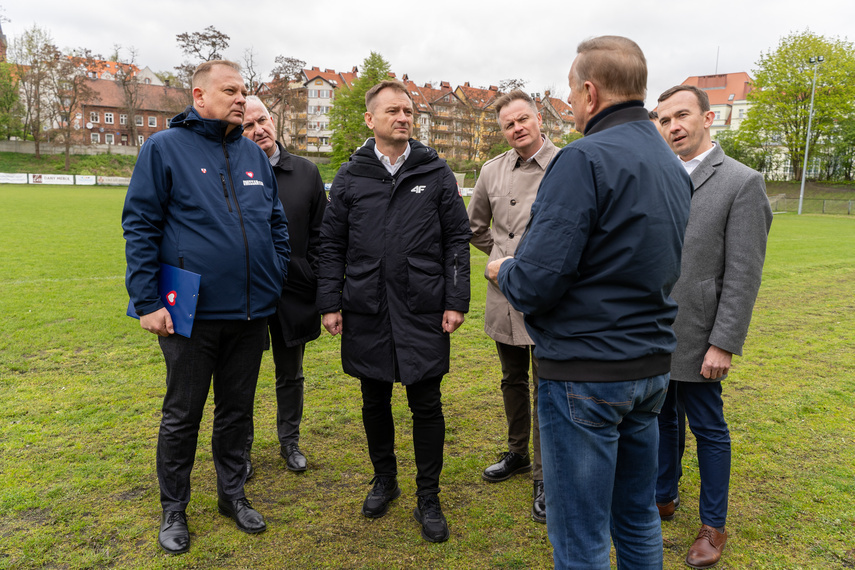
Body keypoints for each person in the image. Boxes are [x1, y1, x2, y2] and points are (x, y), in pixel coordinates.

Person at [487, 36, 692, 569]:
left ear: (590, 91)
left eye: (572, 94)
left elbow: (536, 282)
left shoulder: (583, 159)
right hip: (648, 370)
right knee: (638, 516)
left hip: (587, 374)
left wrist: (503, 267)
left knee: (581, 535)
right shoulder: (670, 161)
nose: (571, 105)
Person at [122, 60, 290, 555]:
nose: (242, 99)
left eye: (245, 91)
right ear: (200, 96)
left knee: (236, 412)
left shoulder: (253, 155)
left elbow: (276, 222)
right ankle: (174, 508)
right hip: (188, 313)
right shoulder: (164, 149)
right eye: (231, 90)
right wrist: (148, 301)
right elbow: (140, 226)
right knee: (183, 414)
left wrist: (275, 274)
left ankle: (232, 494)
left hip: (252, 312)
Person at [316, 79, 471, 544]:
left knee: (426, 403)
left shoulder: (436, 172)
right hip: (366, 307)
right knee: (374, 399)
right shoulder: (351, 176)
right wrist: (329, 302)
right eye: (392, 111)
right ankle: (385, 480)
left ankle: (430, 495)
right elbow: (331, 244)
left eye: (408, 111)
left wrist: (455, 299)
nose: (403, 117)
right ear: (371, 119)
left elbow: (456, 241)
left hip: (423, 307)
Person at [654, 84, 773, 569]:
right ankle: (662, 495)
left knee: (708, 429)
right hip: (655, 329)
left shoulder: (742, 182)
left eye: (681, 115)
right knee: (661, 417)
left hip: (702, 334)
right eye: (663, 120)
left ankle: (713, 524)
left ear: (710, 119)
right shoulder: (658, 175)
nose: (673, 126)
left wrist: (723, 343)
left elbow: (744, 272)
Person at [467, 90, 557, 524]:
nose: (517, 128)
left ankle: (545, 477)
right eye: (509, 124)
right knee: (511, 379)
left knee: (549, 388)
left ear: (539, 120)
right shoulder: (491, 171)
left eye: (524, 119)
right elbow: (475, 226)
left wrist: (536, 265)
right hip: (504, 294)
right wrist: (501, 258)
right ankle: (518, 453)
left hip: (550, 298)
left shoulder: (567, 165)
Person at [241, 95, 327, 475]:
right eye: (247, 125)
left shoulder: (306, 173)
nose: (258, 130)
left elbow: (323, 234)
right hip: (246, 292)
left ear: (274, 120)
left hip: (296, 291)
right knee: (239, 376)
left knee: (290, 373)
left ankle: (289, 442)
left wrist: (313, 273)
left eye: (262, 120)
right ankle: (239, 448)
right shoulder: (231, 169)